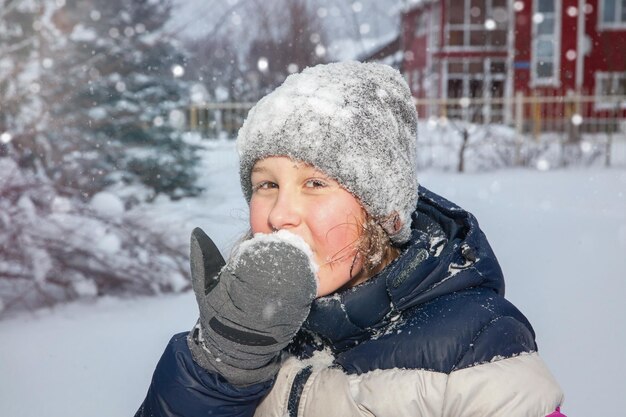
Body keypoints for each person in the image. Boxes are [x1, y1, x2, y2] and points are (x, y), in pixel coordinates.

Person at [135, 61, 565, 417]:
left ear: (382, 211)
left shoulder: (476, 342)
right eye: (266, 185)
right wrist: (221, 365)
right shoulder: (252, 326)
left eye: (315, 183)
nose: (281, 213)